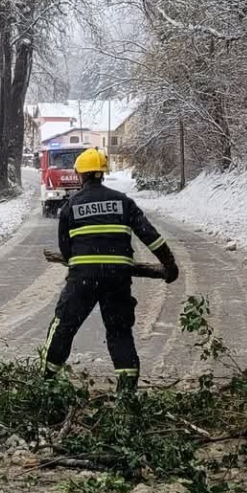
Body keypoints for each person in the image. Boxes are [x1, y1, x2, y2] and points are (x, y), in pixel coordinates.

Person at [42, 148, 180, 394]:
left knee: (64, 326)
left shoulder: (71, 206)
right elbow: (151, 236)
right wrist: (169, 265)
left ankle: (45, 381)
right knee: (119, 332)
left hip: (83, 278)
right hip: (118, 278)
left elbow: (67, 250)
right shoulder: (124, 203)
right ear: (102, 174)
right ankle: (126, 392)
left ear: (80, 175)